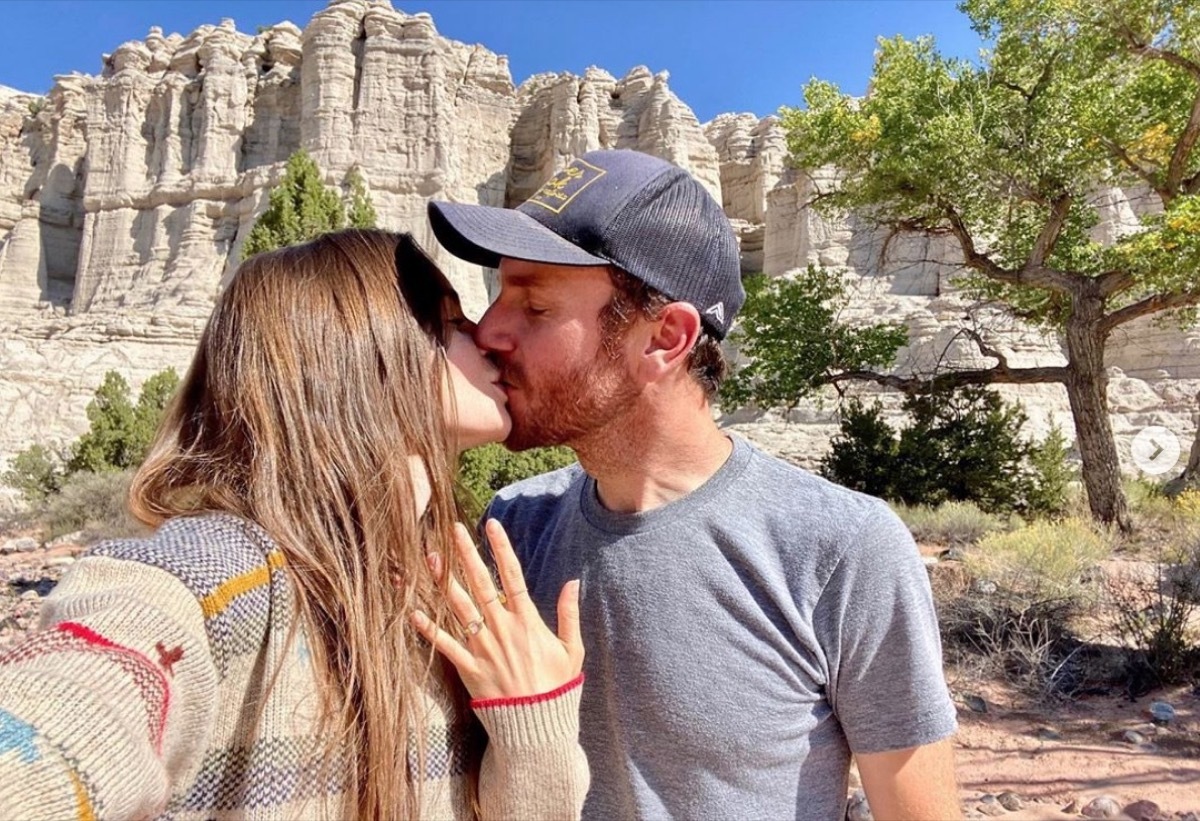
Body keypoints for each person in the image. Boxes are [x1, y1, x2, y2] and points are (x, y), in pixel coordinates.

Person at [427, 149, 962, 820]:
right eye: (499, 294)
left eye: (533, 306)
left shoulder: (842, 548)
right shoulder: (514, 526)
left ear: (666, 337)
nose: (489, 329)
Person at [0, 229, 588, 820]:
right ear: (365, 357)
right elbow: (67, 712)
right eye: (452, 324)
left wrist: (532, 723)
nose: (487, 339)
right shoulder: (216, 573)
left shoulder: (439, 590)